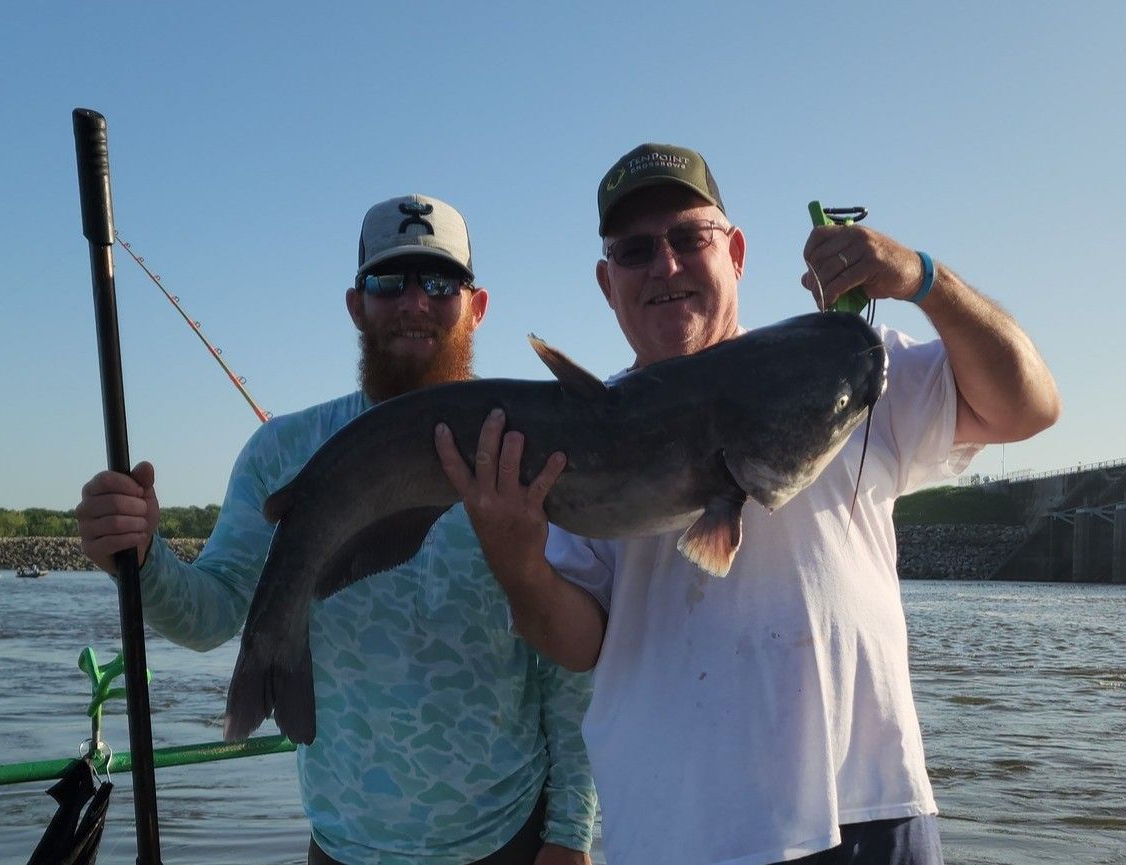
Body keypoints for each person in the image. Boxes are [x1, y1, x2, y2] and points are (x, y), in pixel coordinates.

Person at [435, 145, 1061, 865]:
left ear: (734, 252)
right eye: (635, 251)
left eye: (687, 238)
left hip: (867, 806)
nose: (664, 266)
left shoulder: (840, 365)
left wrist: (924, 278)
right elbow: (577, 645)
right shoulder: (577, 437)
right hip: (678, 830)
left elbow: (1027, 406)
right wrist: (515, 560)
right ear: (607, 285)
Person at [75, 194, 597, 865]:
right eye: (389, 281)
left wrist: (570, 830)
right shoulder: (279, 451)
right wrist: (141, 554)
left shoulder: (525, 444)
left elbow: (565, 661)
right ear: (356, 305)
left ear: (477, 305)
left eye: (440, 282)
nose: (414, 302)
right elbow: (210, 615)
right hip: (343, 848)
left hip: (507, 840)